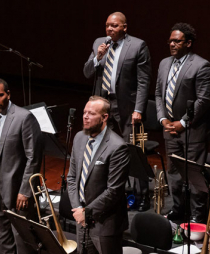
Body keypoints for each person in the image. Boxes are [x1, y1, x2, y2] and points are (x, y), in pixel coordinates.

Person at [83, 11, 151, 211]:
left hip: (127, 108)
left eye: (114, 26)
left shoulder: (138, 46)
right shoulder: (99, 44)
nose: (110, 29)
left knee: (133, 151)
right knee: (104, 150)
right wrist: (97, 58)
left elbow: (143, 81)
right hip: (103, 106)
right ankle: (113, 192)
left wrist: (139, 109)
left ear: (124, 27)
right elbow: (87, 72)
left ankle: (142, 196)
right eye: (107, 26)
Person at [155, 23, 210, 223]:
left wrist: (183, 122)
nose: (171, 44)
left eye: (177, 41)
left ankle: (198, 215)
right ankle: (178, 209)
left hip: (193, 130)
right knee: (173, 172)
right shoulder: (164, 63)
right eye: (170, 40)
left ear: (188, 43)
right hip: (169, 129)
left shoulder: (201, 65)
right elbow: (158, 93)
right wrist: (163, 119)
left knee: (194, 174)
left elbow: (203, 100)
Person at [0, 78, 43, 253]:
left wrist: (25, 191)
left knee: (23, 245)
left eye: (0, 95)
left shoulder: (24, 117)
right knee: (2, 244)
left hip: (18, 193)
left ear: (8, 94)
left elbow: (33, 158)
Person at [67, 96, 130, 254]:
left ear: (104, 117)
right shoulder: (79, 138)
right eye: (84, 112)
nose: (86, 116)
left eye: (91, 113)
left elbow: (114, 190)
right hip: (81, 219)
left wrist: (87, 212)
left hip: (105, 224)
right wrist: (78, 209)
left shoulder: (117, 147)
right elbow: (72, 178)